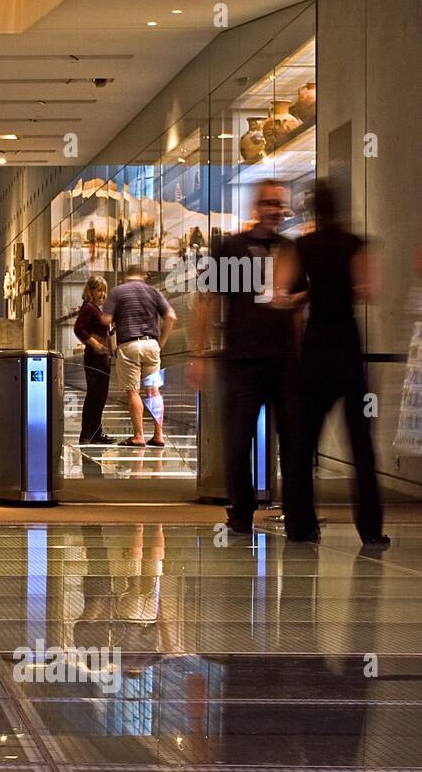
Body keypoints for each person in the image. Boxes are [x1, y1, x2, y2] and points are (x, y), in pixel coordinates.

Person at [277, 180, 388, 546]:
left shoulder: (301, 247)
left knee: (302, 444)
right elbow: (370, 291)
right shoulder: (356, 244)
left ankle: (300, 526)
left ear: (311, 209)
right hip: (347, 349)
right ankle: (370, 530)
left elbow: (280, 297)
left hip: (314, 351)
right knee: (361, 444)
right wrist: (345, 290)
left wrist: (310, 293)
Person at [189, 178, 301, 538]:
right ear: (257, 208)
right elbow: (206, 298)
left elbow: (299, 303)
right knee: (237, 441)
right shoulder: (231, 248)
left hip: (284, 361)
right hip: (241, 360)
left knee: (294, 440)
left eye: (278, 205)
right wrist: (199, 354)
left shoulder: (289, 250)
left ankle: (297, 513)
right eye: (268, 204)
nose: (274, 210)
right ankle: (241, 512)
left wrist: (299, 348)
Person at [102, 266, 175, 447]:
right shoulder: (154, 292)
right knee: (153, 391)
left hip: (129, 345)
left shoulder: (117, 292)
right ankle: (158, 435)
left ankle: (138, 436)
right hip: (152, 344)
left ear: (126, 276)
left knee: (133, 391)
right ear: (143, 275)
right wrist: (162, 341)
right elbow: (171, 316)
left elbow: (105, 320)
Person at [74, 276, 114, 444]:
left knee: (99, 396)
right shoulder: (89, 308)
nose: (102, 294)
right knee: (95, 396)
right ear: (90, 291)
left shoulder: (96, 309)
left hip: (101, 357)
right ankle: (88, 434)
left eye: (104, 290)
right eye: (99, 290)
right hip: (95, 358)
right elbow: (79, 329)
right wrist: (95, 344)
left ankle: (96, 432)